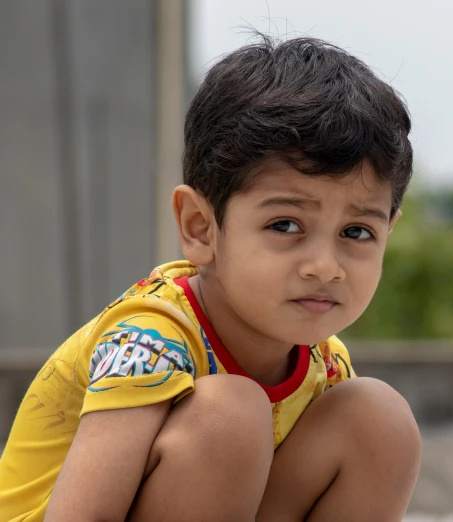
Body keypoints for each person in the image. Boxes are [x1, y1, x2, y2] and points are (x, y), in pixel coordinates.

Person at [0, 34, 421, 522]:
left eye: (357, 231)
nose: (324, 266)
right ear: (201, 227)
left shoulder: (325, 365)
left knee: (377, 419)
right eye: (285, 225)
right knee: (231, 415)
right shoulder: (151, 339)